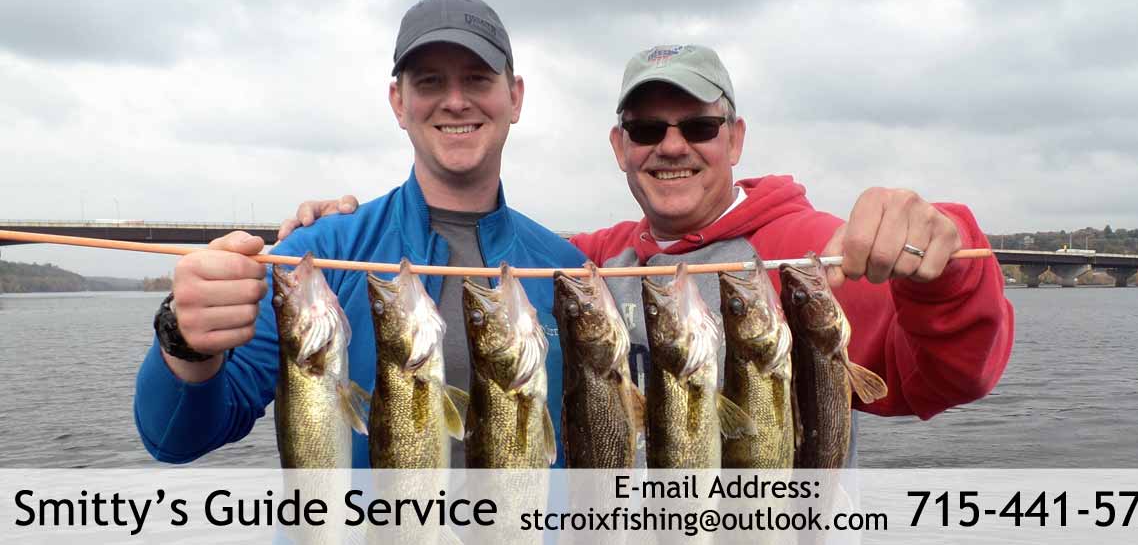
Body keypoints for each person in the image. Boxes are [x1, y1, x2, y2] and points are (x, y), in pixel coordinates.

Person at [283, 43, 1014, 466]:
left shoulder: (805, 252)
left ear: (735, 138)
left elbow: (947, 378)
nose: (671, 144)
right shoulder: (590, 262)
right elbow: (483, 256)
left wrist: (944, 266)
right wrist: (335, 231)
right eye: (644, 126)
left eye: (697, 124)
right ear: (619, 147)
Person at [135, 0, 585, 469]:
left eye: (477, 78)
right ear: (399, 102)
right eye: (430, 81)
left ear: (515, 97)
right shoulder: (319, 255)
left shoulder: (570, 273)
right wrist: (183, 341)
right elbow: (176, 439)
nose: (455, 101)